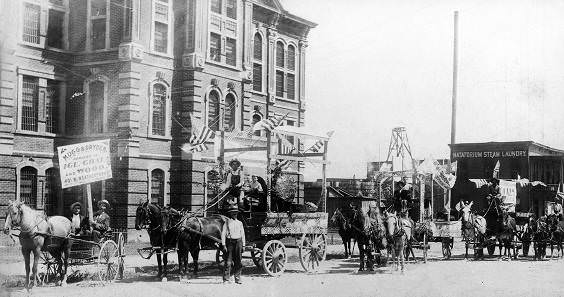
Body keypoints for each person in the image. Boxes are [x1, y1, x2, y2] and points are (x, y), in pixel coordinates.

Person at [221, 204, 245, 284]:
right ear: (230, 214)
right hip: (230, 243)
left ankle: (237, 279)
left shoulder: (240, 223)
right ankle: (226, 279)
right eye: (233, 213)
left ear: (237, 213)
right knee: (228, 262)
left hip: (238, 242)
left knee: (238, 261)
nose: (234, 214)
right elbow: (223, 234)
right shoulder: (227, 223)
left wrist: (243, 245)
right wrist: (224, 245)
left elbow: (243, 234)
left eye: (236, 212)